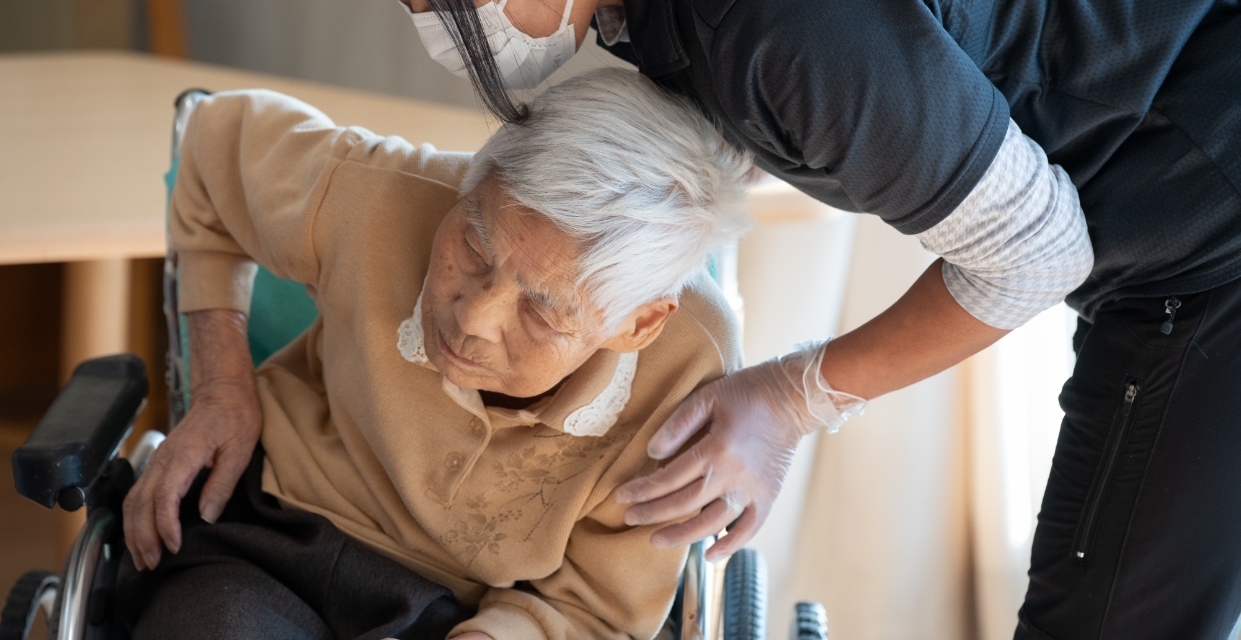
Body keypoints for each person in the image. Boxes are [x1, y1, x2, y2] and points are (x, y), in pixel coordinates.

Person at [401, 0, 1241, 637]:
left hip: (1211, 228)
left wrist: (791, 399)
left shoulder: (772, 30)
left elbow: (1035, 251)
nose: (432, 22)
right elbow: (818, 119)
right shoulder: (653, 23)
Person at [118, 67, 755, 640]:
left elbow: (596, 608)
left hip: (466, 608)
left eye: (539, 310)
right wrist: (221, 386)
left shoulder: (688, 366)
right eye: (474, 248)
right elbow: (209, 146)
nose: (473, 318)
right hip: (265, 534)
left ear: (638, 325)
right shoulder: (378, 193)